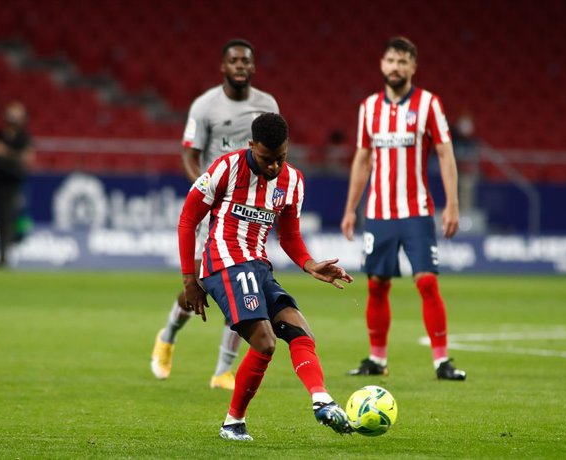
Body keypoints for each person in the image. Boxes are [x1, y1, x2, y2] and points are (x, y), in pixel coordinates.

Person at [178, 113, 354, 441]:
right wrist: (190, 278)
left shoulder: (293, 181)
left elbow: (289, 236)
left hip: (259, 267)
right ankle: (233, 423)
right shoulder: (225, 169)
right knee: (265, 341)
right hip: (225, 264)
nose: (274, 167)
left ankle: (322, 401)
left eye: (281, 159)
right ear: (251, 146)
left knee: (302, 334)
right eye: (266, 159)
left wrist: (309, 264)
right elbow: (188, 219)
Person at [151, 39, 279, 390]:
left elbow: (274, 155)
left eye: (246, 61)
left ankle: (223, 370)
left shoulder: (267, 105)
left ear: (253, 67)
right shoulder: (204, 106)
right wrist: (207, 187)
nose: (240, 66)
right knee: (201, 289)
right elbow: (190, 156)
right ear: (223, 66)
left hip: (248, 214)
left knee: (243, 286)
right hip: (213, 211)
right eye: (234, 61)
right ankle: (169, 335)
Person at [341, 36, 467, 381]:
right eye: (390, 61)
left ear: (413, 67)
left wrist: (452, 204)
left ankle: (442, 361)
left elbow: (445, 153)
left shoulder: (428, 104)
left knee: (426, 282)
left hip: (416, 210)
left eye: (402, 61)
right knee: (376, 285)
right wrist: (351, 208)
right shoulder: (368, 108)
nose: (395, 67)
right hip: (379, 212)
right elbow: (363, 159)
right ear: (382, 64)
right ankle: (377, 360)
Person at [0, 102, 34, 268]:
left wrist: (6, 153)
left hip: (11, 185)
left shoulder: (24, 139)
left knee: (6, 221)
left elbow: (27, 159)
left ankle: (4, 257)